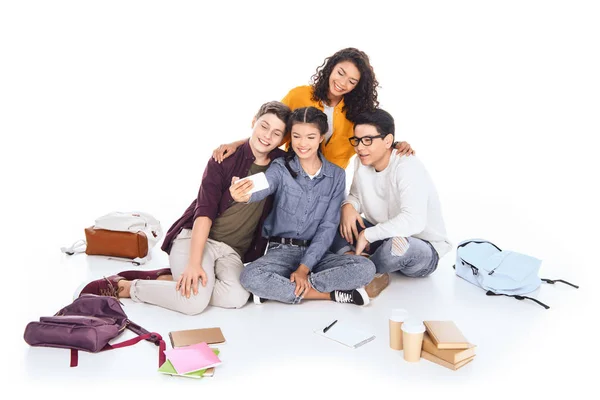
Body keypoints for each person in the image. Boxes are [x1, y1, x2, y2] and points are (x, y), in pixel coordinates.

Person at [74, 101, 293, 315]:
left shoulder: (281, 164)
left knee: (236, 298)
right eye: (264, 126)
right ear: (253, 121)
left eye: (276, 133)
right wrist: (194, 263)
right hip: (195, 239)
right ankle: (127, 287)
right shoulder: (224, 159)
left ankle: (168, 280)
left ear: (282, 139)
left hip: (231, 251)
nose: (267, 136)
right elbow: (204, 213)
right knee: (194, 303)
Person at [230, 106, 375, 306]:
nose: (302, 144)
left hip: (318, 254)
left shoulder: (336, 175)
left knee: (366, 268)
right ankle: (329, 294)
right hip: (281, 251)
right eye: (297, 136)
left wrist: (304, 269)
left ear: (321, 137)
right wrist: (244, 192)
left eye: (310, 137)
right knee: (250, 276)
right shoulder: (281, 167)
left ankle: (279, 290)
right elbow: (265, 183)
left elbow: (328, 226)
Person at [212, 47, 414, 170]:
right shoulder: (299, 95)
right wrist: (238, 144)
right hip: (292, 173)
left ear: (358, 86)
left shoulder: (358, 112)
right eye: (340, 73)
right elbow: (274, 132)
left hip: (329, 184)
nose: (343, 83)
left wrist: (396, 145)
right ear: (331, 68)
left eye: (352, 81)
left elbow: (372, 140)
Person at [330, 108, 451, 298]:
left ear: (388, 141)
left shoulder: (407, 166)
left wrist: (368, 235)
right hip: (382, 234)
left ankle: (361, 268)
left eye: (368, 140)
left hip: (420, 246)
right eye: (357, 140)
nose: (360, 147)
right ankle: (355, 262)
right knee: (332, 216)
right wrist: (348, 207)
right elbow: (356, 196)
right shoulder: (361, 162)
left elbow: (414, 221)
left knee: (400, 246)